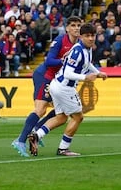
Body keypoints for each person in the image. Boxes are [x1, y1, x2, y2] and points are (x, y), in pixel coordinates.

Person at [28, 24, 107, 156]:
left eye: (93, 35)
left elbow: (88, 64)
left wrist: (98, 73)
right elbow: (68, 73)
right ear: (81, 37)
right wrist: (85, 77)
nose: (91, 38)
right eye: (87, 36)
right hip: (64, 88)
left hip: (57, 85)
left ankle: (37, 135)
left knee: (61, 117)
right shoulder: (78, 51)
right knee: (78, 117)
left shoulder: (86, 48)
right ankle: (63, 148)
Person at [11, 16, 82, 157]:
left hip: (58, 80)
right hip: (45, 76)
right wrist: (63, 61)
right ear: (67, 28)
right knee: (40, 109)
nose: (76, 28)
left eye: (78, 25)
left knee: (60, 112)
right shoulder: (60, 40)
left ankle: (36, 131)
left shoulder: (79, 45)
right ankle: (20, 141)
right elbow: (49, 61)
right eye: (73, 25)